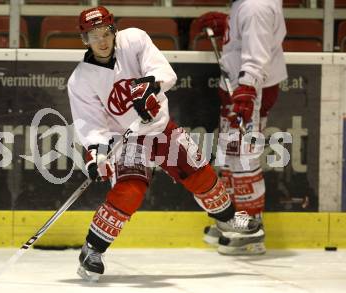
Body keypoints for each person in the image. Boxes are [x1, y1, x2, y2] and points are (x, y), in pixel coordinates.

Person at [67, 6, 263, 282]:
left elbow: (164, 71)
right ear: (84, 39)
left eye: (105, 32)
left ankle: (228, 218)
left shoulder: (133, 40)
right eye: (93, 35)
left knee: (200, 174)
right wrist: (96, 154)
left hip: (160, 128)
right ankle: (92, 250)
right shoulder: (80, 80)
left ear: (114, 30)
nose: (102, 40)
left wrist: (151, 86)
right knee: (130, 191)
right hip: (127, 140)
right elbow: (90, 124)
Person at [196, 0, 288, 255]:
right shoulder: (246, 5)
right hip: (240, 87)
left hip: (249, 89)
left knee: (243, 159)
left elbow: (257, 52)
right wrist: (227, 23)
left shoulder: (254, 6)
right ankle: (233, 222)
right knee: (230, 157)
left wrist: (247, 90)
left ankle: (252, 230)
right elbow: (249, 38)